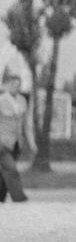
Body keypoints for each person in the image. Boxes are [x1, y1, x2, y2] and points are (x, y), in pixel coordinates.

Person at [0, 70, 33, 203]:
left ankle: (0, 196)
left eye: (18, 85)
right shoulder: (1, 100)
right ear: (7, 85)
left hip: (16, 143)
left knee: (6, 170)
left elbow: (26, 123)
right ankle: (19, 197)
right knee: (11, 169)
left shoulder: (22, 100)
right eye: (13, 84)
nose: (16, 87)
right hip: (2, 142)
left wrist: (31, 142)